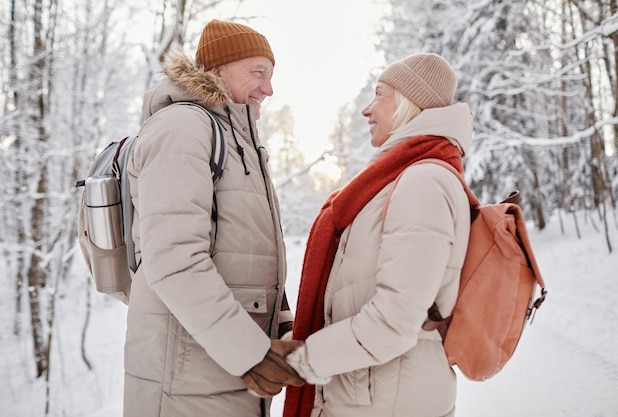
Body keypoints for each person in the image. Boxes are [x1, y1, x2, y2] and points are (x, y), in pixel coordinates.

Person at [123, 19, 304, 417]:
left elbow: (247, 254)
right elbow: (175, 261)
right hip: (186, 384)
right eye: (258, 73)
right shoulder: (181, 128)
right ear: (219, 69)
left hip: (224, 374)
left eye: (271, 76)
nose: (268, 89)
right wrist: (251, 354)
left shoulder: (241, 141)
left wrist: (283, 323)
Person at [283, 53, 473, 417]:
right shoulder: (402, 179)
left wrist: (303, 360)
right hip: (373, 397)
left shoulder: (423, 183)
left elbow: (394, 321)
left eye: (379, 94)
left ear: (407, 102)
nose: (366, 110)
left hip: (386, 404)